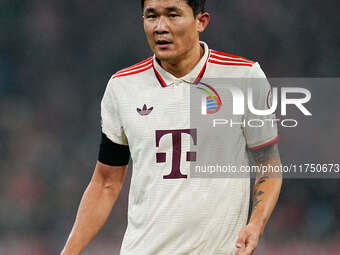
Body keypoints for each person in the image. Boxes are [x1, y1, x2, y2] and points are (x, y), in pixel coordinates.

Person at [61, 0, 282, 254]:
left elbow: (269, 166)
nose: (160, 27)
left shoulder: (244, 77)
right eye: (151, 16)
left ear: (201, 21)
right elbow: (105, 182)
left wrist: (256, 225)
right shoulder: (122, 87)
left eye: (173, 15)